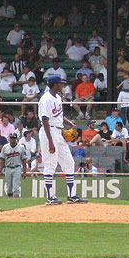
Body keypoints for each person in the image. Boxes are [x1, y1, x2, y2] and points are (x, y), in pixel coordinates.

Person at [38, 75, 86, 205]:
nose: (62, 85)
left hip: (59, 131)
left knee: (69, 162)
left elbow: (60, 115)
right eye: (60, 83)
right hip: (49, 131)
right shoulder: (45, 99)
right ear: (55, 85)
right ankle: (50, 197)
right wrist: (50, 141)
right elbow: (45, 120)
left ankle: (71, 195)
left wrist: (71, 124)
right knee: (50, 164)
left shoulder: (58, 97)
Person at [0, 133, 29, 197]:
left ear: (16, 139)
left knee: (16, 187)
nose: (12, 140)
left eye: (14, 138)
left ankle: (16, 201)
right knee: (9, 187)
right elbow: (2, 159)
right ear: (9, 139)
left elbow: (24, 160)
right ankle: (10, 201)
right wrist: (0, 170)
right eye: (11, 138)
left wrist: (24, 172)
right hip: (8, 168)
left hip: (17, 167)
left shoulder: (21, 147)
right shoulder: (5, 147)